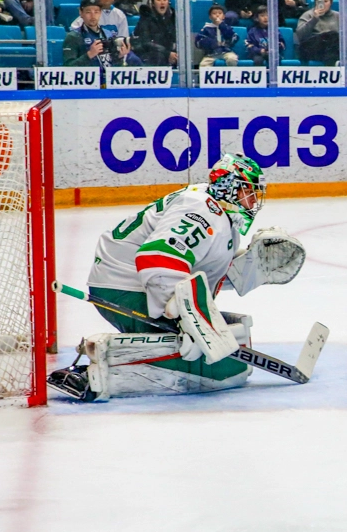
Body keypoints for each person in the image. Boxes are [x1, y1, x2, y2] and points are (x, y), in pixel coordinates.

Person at [48, 155, 306, 402]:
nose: (253, 200)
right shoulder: (200, 210)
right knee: (206, 367)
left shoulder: (218, 212)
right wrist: (187, 319)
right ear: (229, 188)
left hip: (140, 282)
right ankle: (91, 375)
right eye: (248, 191)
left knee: (224, 367)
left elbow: (200, 268)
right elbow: (157, 260)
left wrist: (251, 263)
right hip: (124, 286)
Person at [63, 0, 141, 72]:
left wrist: (120, 57)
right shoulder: (73, 37)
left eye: (96, 12)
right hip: (89, 82)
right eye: (88, 12)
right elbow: (67, 69)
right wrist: (89, 55)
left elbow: (113, 65)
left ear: (100, 13)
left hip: (108, 80)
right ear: (81, 12)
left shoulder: (108, 34)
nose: (93, 16)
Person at [132, 0, 178, 67]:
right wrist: (167, 54)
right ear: (153, 3)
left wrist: (174, 54)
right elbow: (145, 42)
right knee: (158, 57)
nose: (162, 2)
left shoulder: (173, 19)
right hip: (150, 55)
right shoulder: (145, 18)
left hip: (169, 54)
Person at [295, 0, 340, 65]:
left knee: (334, 39)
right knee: (332, 35)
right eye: (320, 1)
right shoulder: (308, 15)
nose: (323, 4)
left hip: (331, 48)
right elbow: (300, 35)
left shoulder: (338, 16)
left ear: (331, 2)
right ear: (316, 2)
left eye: (326, 1)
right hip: (312, 48)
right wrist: (314, 19)